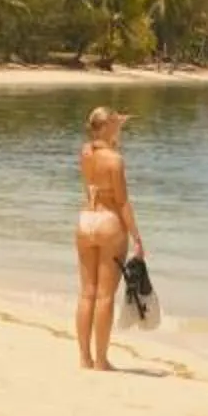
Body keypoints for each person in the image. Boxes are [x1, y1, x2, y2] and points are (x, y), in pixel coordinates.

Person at [74, 104, 145, 372]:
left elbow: (98, 139)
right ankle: (101, 360)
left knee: (86, 294)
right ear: (105, 127)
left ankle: (84, 358)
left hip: (85, 220)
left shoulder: (85, 152)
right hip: (108, 222)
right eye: (115, 123)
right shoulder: (115, 160)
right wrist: (137, 237)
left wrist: (116, 123)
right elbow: (122, 201)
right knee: (105, 296)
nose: (119, 127)